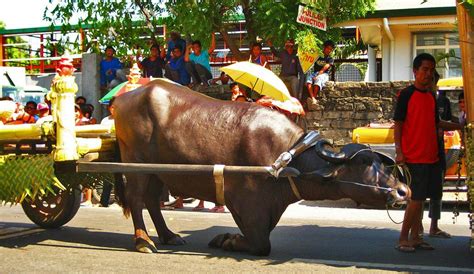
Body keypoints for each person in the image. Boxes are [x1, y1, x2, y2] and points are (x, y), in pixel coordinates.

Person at [394, 53, 462, 253]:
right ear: (415, 71)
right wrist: (399, 151)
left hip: (431, 155)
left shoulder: (431, 97)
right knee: (415, 200)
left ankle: (415, 238)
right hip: (414, 156)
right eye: (425, 69)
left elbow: (436, 123)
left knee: (421, 199)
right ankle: (402, 238)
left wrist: (460, 126)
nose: (428, 74)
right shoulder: (406, 94)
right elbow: (398, 124)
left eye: (431, 70)